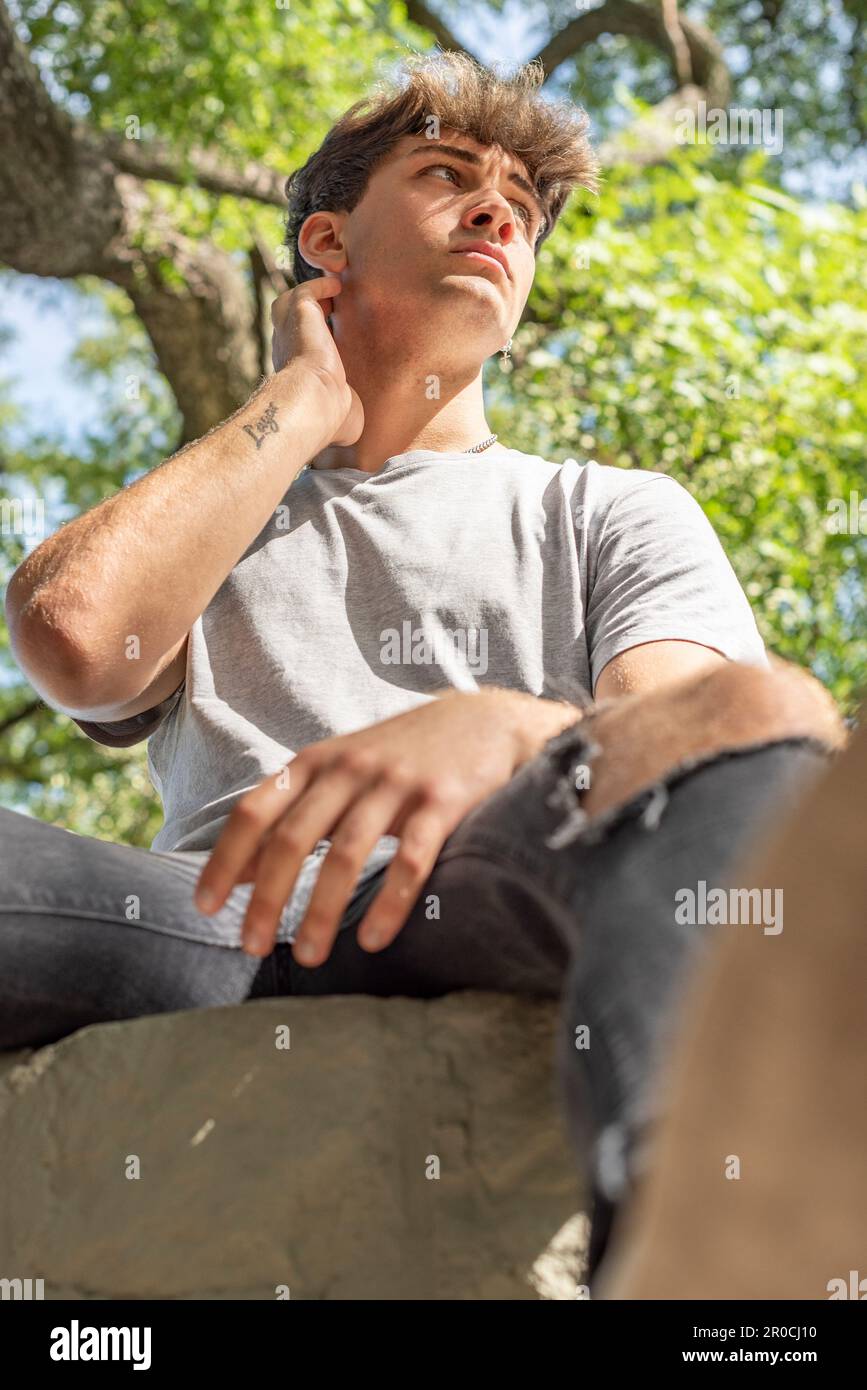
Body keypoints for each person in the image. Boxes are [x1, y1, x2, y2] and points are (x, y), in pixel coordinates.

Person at [1, 52, 847, 1291]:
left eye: (523, 204)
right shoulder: (224, 513)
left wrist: (509, 728)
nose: (501, 212)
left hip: (488, 896)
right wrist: (303, 396)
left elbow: (718, 739)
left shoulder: (604, 509)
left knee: (763, 737)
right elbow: (75, 639)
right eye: (450, 177)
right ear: (328, 243)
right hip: (214, 923)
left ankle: (700, 1270)